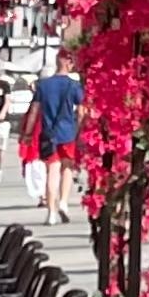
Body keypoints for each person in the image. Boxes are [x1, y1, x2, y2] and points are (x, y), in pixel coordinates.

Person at [28, 50, 84, 219]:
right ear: (68, 63)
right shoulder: (73, 85)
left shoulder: (43, 85)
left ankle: (51, 212)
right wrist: (79, 131)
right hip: (68, 133)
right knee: (67, 167)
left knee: (52, 170)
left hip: (48, 133)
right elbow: (82, 111)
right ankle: (64, 203)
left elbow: (34, 111)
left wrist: (28, 133)